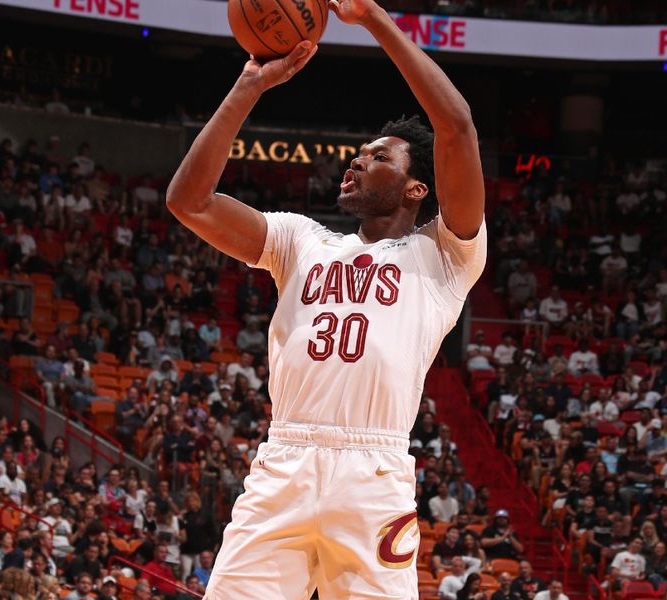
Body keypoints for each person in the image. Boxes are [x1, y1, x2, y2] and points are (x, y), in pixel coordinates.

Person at [165, 0, 486, 596]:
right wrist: (249, 86)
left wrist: (373, 20)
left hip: (374, 476)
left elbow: (457, 127)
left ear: (418, 186)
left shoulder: (444, 256)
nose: (358, 159)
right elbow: (191, 202)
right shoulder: (298, 240)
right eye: (358, 152)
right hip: (284, 461)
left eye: (379, 155)